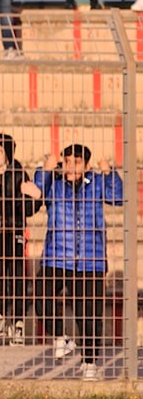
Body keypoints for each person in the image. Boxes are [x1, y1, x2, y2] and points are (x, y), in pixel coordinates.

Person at [33, 144, 123, 380]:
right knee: (41, 294)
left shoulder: (96, 182)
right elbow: (34, 197)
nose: (70, 166)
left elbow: (118, 198)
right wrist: (45, 169)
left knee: (89, 313)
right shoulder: (54, 180)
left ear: (86, 165)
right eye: (67, 161)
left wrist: (110, 173)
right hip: (57, 255)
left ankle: (90, 362)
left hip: (90, 259)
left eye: (76, 162)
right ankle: (61, 337)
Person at [0, 133, 41, 347]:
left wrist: (33, 196)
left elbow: (30, 210)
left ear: (8, 153)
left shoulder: (19, 173)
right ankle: (0, 315)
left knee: (17, 274)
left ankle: (19, 321)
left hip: (15, 230)